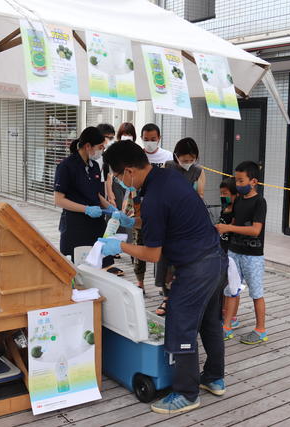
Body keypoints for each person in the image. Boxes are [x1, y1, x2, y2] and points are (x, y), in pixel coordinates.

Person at [100, 140, 227, 414]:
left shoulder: (155, 196)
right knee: (209, 322)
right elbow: (169, 219)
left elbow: (153, 254)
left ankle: (186, 393)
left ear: (130, 171)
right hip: (215, 258)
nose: (121, 182)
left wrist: (118, 246)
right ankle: (214, 377)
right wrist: (133, 223)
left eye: (120, 176)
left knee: (180, 324)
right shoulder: (167, 176)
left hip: (195, 268)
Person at [216, 161, 267, 345]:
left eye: (241, 180)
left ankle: (260, 329)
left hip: (252, 255)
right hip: (234, 252)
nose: (238, 185)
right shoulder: (238, 200)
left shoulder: (260, 202)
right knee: (231, 290)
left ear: (253, 181)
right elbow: (234, 221)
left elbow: (255, 230)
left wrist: (229, 227)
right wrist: (227, 212)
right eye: (236, 181)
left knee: (256, 292)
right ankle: (227, 326)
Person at [154, 137, 206, 316]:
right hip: (168, 221)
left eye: (192, 160)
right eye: (185, 160)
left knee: (184, 262)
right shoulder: (167, 166)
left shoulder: (198, 171)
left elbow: (200, 195)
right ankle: (166, 298)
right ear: (177, 156)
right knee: (165, 260)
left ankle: (181, 298)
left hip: (188, 223)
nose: (188, 163)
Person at [53, 126, 117, 271]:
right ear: (88, 146)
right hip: (75, 224)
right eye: (100, 147)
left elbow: (95, 193)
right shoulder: (66, 166)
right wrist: (86, 209)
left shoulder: (94, 166)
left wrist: (110, 207)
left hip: (95, 223)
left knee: (102, 263)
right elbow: (59, 200)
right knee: (74, 266)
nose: (102, 151)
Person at [133, 123, 174, 294]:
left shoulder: (168, 157)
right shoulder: (137, 156)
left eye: (153, 139)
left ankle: (164, 286)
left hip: (162, 209)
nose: (149, 142)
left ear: (159, 139)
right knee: (140, 244)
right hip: (140, 207)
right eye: (146, 139)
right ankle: (140, 282)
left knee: (163, 251)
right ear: (141, 138)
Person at [218, 178, 241, 336]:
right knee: (222, 286)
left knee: (233, 286)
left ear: (235, 194)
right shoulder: (225, 208)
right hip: (221, 250)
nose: (222, 196)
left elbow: (234, 229)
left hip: (232, 252)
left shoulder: (237, 210)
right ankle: (224, 312)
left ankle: (232, 316)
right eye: (221, 193)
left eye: (225, 193)